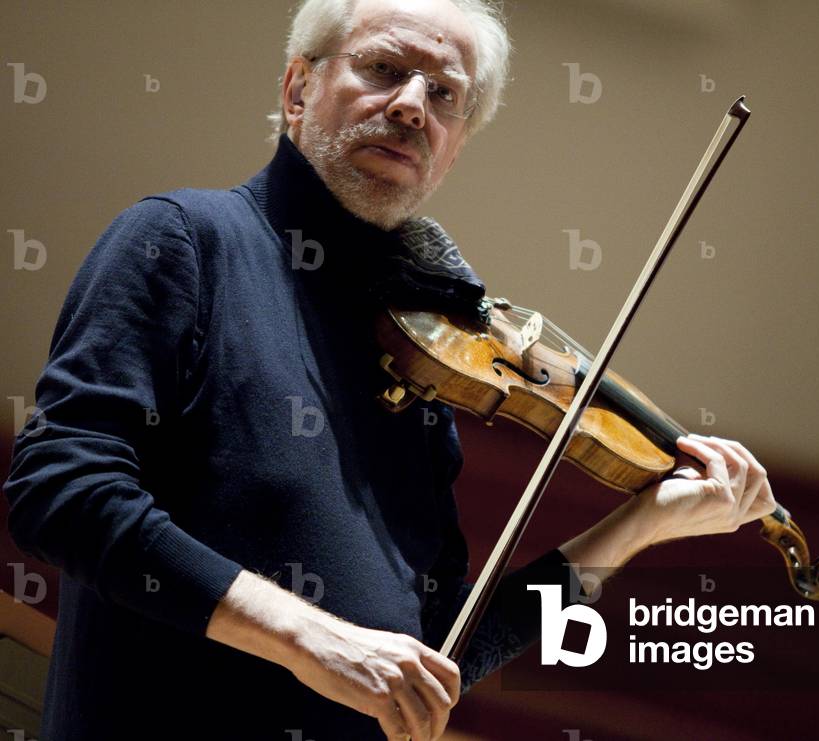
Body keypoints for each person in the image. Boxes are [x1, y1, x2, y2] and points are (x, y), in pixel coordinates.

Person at [2, 0, 777, 739]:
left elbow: (442, 650)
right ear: (297, 88)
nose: (411, 105)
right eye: (382, 69)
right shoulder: (183, 242)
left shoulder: (422, 362)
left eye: (444, 94)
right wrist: (310, 637)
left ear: (455, 144)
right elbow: (59, 492)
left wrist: (643, 523)